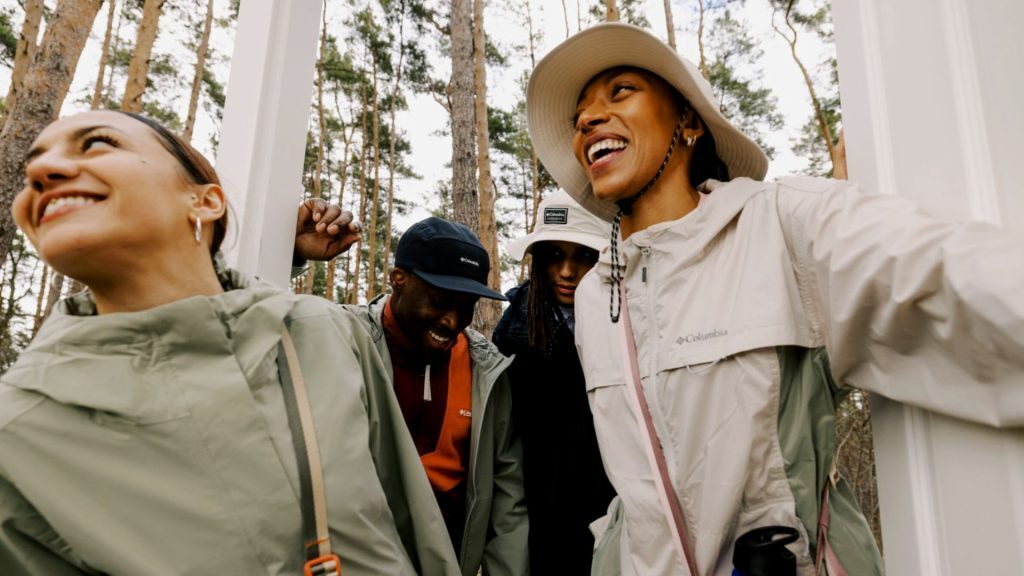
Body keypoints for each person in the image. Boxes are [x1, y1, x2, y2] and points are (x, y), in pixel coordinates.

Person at [526, 23, 1024, 576]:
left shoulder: (782, 225)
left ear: (689, 121)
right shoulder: (598, 294)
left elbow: (945, 279)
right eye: (579, 116)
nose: (588, 120)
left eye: (619, 91)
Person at [0, 110, 461, 576]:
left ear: (205, 201)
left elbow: (412, 522)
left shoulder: (322, 332)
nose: (39, 173)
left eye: (98, 144)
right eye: (30, 168)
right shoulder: (15, 434)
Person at [301, 216, 529, 576]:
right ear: (398, 279)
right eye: (439, 301)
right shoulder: (343, 339)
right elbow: (248, 332)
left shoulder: (487, 372)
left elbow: (507, 497)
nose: (452, 322)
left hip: (447, 559)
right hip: (356, 557)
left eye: (467, 306)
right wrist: (293, 254)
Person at [492, 189, 617, 575]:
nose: (566, 272)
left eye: (582, 256)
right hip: (539, 522)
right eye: (554, 256)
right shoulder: (514, 331)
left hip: (614, 512)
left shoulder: (626, 324)